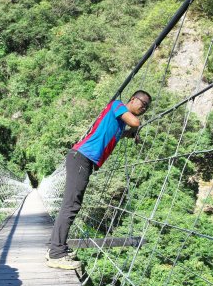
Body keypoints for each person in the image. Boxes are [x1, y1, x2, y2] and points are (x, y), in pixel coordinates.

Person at [46, 91, 151, 269]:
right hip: (82, 158)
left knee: (71, 205)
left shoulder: (117, 120)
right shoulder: (117, 105)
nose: (144, 108)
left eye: (147, 107)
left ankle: (57, 248)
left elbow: (115, 133)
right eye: (143, 104)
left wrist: (129, 134)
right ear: (132, 99)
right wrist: (134, 127)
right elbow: (134, 122)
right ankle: (56, 254)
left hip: (81, 159)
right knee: (71, 206)